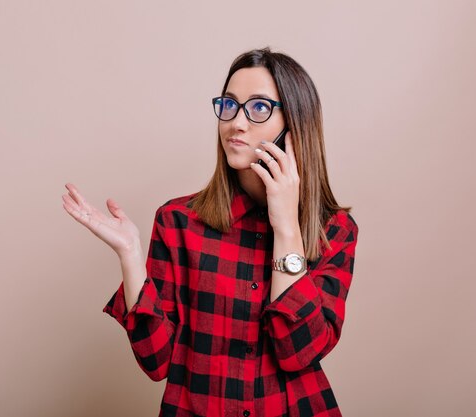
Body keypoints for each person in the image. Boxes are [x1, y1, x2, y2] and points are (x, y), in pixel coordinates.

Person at [62, 47, 359, 417]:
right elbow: (156, 361)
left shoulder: (335, 231)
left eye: (259, 108)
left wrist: (286, 227)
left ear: (295, 125)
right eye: (230, 105)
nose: (236, 122)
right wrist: (131, 256)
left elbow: (298, 351)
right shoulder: (178, 221)